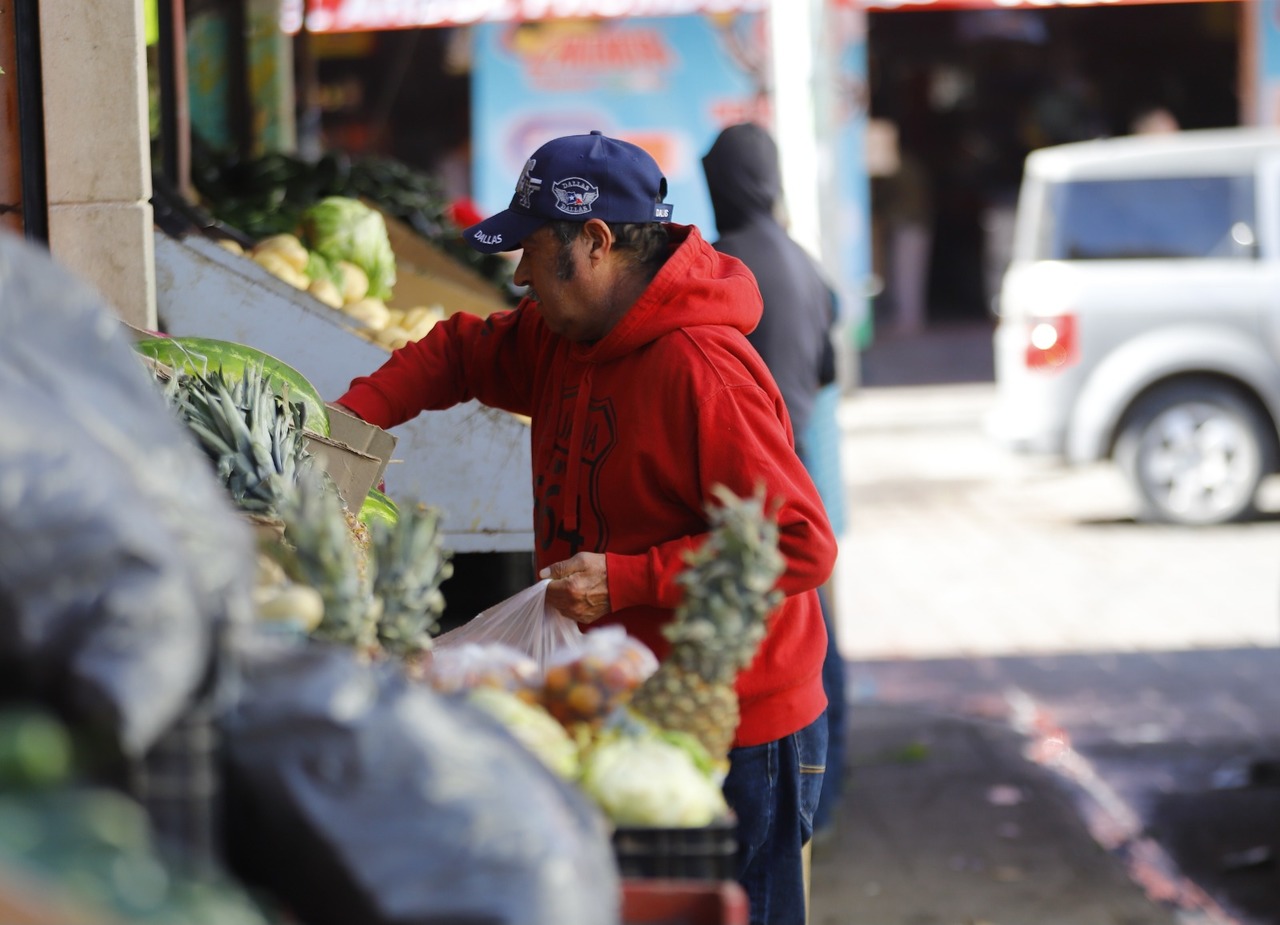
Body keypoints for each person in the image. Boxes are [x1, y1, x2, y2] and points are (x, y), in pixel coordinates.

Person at [335, 130, 837, 925]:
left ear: (595, 242)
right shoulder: (561, 335)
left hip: (738, 726)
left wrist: (631, 578)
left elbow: (802, 539)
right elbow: (457, 353)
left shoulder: (701, 369)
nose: (520, 277)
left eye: (534, 252)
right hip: (625, 705)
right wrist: (347, 424)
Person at [701, 122, 849, 843]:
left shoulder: (723, 266)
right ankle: (825, 792)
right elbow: (827, 367)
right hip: (801, 466)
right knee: (816, 640)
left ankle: (795, 804)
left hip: (747, 482)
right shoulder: (804, 265)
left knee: (771, 652)